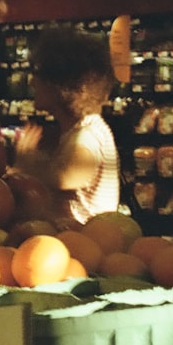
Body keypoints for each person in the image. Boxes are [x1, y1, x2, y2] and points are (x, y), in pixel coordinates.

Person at [12, 26, 121, 224]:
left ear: (63, 84)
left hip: (86, 244)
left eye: (38, 73)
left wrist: (29, 164)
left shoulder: (88, 133)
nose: (32, 82)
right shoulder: (81, 130)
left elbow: (66, 177)